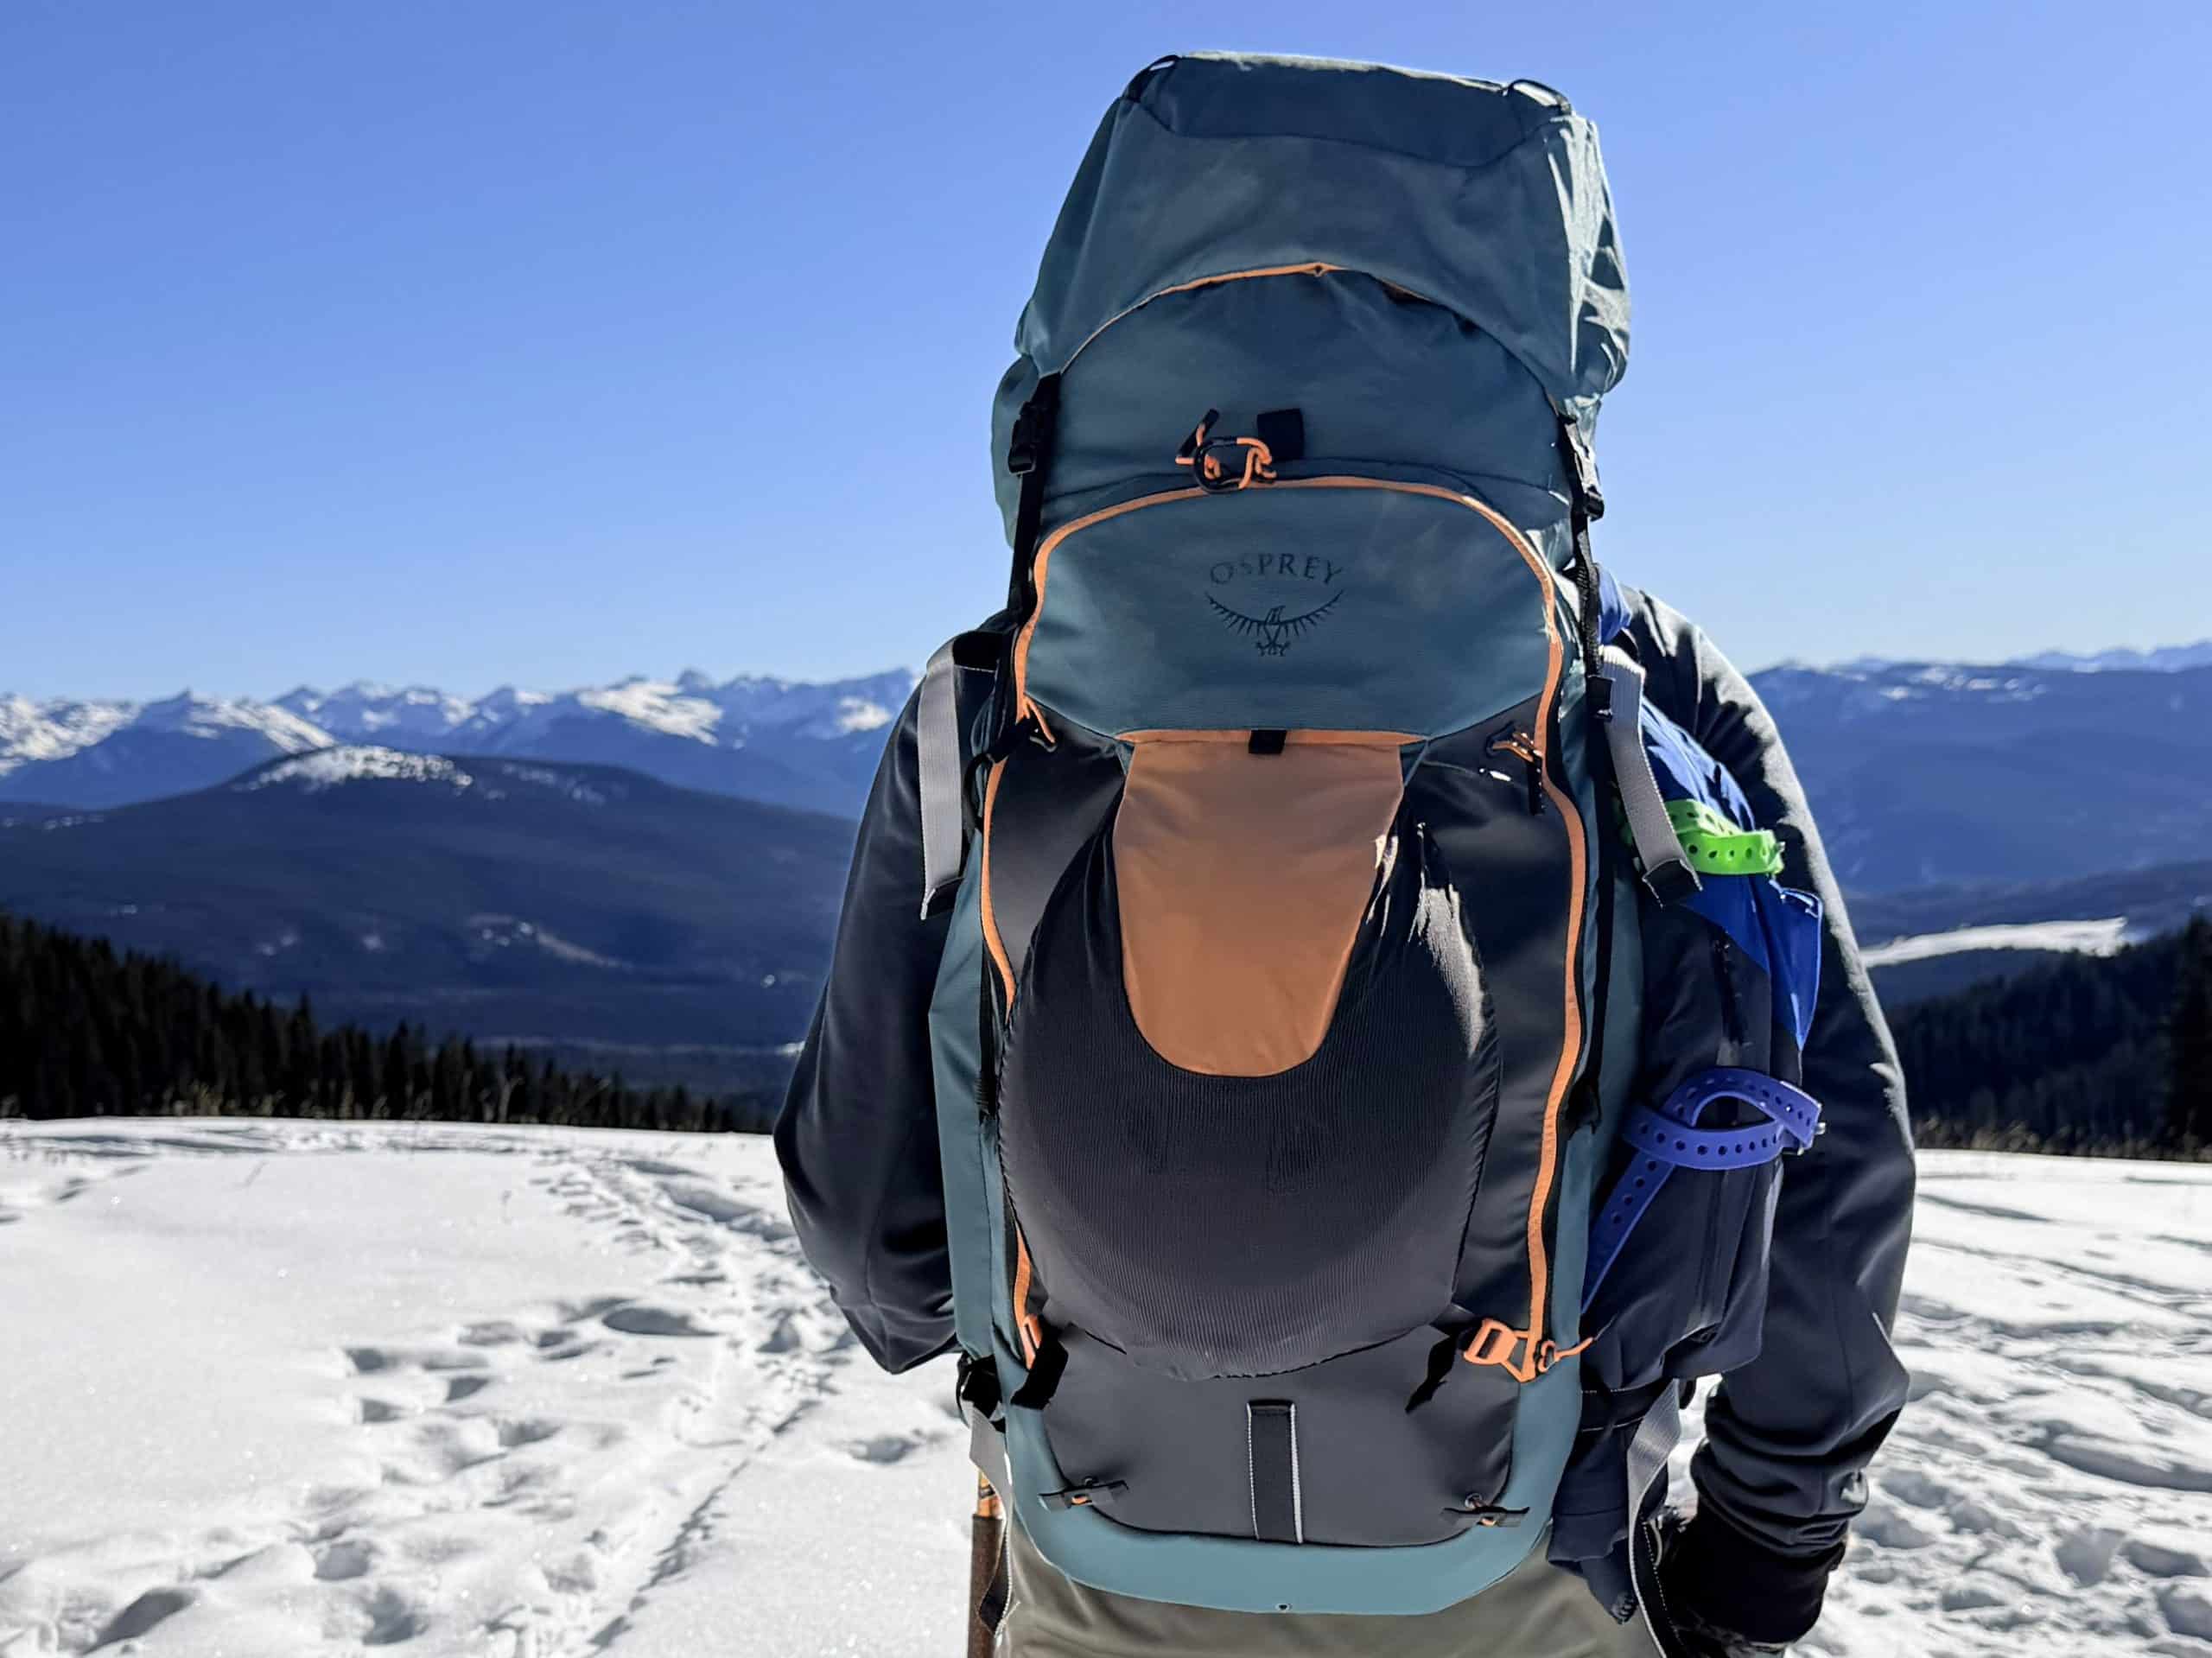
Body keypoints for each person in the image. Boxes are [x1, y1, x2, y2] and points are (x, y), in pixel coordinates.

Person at [776, 55, 1913, 1658]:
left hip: (1098, 1549)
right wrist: (1765, 1544)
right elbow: (1835, 1144)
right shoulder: (1638, 685)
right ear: (1550, 378)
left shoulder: (989, 704)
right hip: (1532, 1556)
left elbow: (866, 1229)